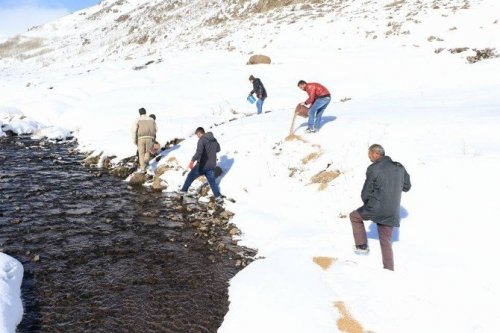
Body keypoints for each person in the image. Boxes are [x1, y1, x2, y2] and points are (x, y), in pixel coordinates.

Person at [349, 144, 411, 271]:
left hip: (375, 208)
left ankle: (361, 246)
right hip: (392, 210)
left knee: (354, 216)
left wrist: (368, 204)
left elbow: (366, 191)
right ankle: (388, 270)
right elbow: (407, 187)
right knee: (385, 241)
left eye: (369, 154)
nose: (369, 157)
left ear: (375, 154)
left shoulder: (373, 168)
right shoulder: (399, 167)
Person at [180, 127, 223, 204]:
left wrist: (192, 161)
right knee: (212, 182)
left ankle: (183, 191)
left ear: (200, 133)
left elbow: (199, 152)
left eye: (197, 135)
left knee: (190, 176)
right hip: (212, 165)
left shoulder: (202, 140)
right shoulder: (214, 139)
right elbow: (218, 149)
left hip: (202, 165)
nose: (197, 137)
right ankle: (218, 197)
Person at [131, 107, 157, 172]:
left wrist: (134, 140)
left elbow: (134, 130)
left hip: (140, 138)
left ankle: (142, 168)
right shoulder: (151, 119)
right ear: (145, 112)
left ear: (139, 113)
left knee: (141, 153)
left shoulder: (137, 119)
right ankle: (146, 162)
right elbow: (156, 129)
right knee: (147, 151)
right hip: (149, 138)